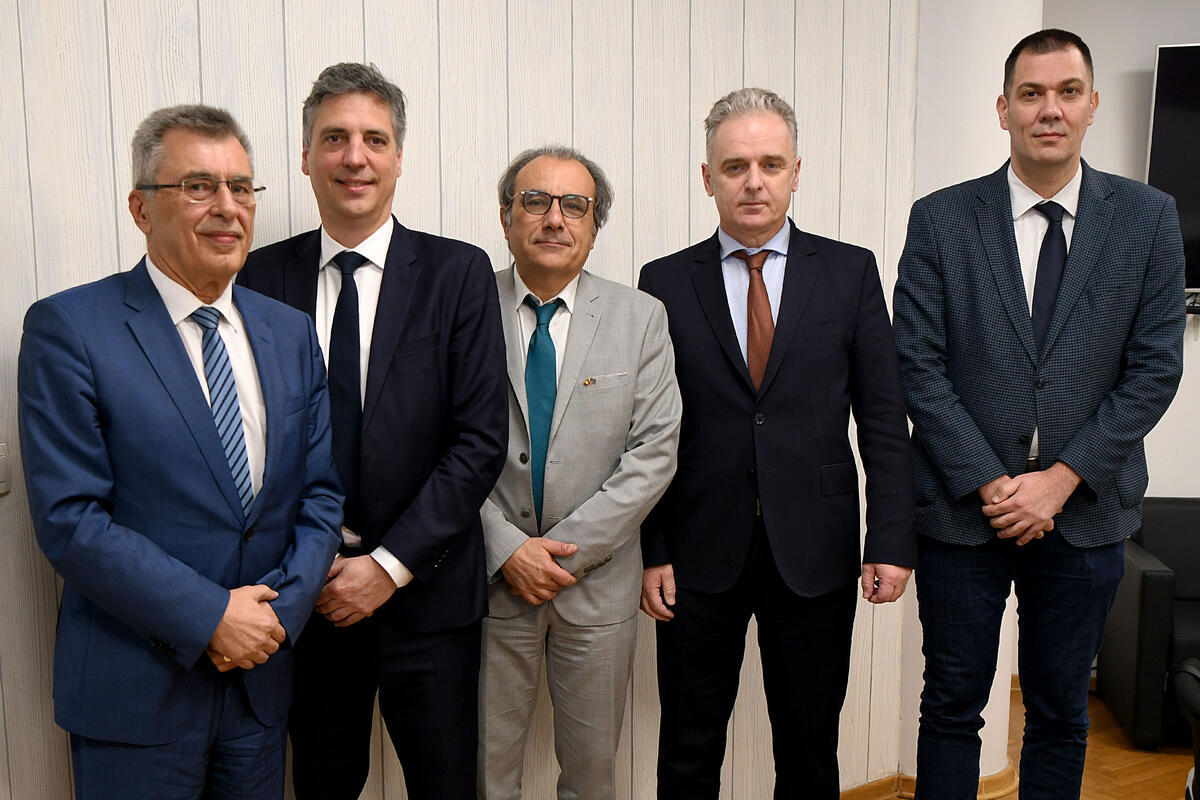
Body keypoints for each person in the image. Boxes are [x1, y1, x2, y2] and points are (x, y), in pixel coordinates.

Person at [17, 104, 343, 799]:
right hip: (137, 694)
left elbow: (320, 495)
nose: (227, 207)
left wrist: (276, 619)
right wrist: (211, 618)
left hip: (260, 689)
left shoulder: (290, 333)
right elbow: (71, 520)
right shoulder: (70, 328)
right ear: (141, 209)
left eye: (241, 187)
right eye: (198, 186)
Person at [892, 28, 1186, 799]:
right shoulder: (940, 219)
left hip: (1086, 513)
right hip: (963, 514)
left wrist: (1058, 481)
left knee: (1060, 713)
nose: (1048, 109)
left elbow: (1155, 369)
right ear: (1004, 109)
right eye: (1030, 93)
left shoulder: (1148, 218)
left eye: (1066, 92)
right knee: (951, 707)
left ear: (1092, 105)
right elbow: (917, 366)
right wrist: (992, 483)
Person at [237, 63, 507, 800]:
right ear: (306, 157)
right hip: (306, 597)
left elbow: (479, 441)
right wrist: (313, 567)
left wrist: (387, 567)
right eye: (335, 138)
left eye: (374, 139)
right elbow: (250, 438)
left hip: (429, 596)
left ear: (398, 157)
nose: (354, 157)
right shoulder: (258, 277)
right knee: (322, 785)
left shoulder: (458, 273)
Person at [637, 87, 916, 798]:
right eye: (735, 166)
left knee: (809, 751)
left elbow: (883, 419)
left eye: (770, 164)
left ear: (797, 172)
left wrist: (890, 539)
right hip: (698, 554)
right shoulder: (663, 282)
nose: (753, 181)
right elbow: (648, 432)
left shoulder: (850, 272)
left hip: (817, 549)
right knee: (687, 750)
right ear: (708, 178)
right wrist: (654, 550)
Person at [478, 146, 681, 800]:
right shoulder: (464, 308)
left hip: (597, 583)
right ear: (506, 216)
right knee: (485, 771)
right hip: (489, 580)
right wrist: (508, 550)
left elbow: (654, 451)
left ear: (595, 225)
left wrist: (561, 554)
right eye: (535, 201)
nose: (554, 219)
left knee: (592, 774)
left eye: (575, 206)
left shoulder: (640, 317)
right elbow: (436, 445)